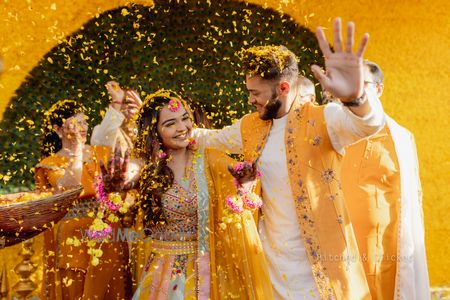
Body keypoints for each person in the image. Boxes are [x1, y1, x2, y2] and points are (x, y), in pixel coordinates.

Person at [193, 18, 385, 299]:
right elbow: (208, 138)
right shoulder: (250, 126)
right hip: (269, 267)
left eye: (255, 93)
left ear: (283, 88)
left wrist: (356, 98)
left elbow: (369, 125)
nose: (250, 100)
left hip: (323, 270)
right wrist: (164, 127)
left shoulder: (324, 120)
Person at [101, 89, 273, 299]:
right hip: (162, 273)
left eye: (184, 119)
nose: (182, 128)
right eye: (170, 123)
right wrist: (118, 184)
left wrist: (245, 183)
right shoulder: (148, 166)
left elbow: (241, 185)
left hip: (206, 270)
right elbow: (130, 174)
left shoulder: (209, 158)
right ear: (154, 131)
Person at [341, 60, 430, 299]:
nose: (354, 91)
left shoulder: (400, 138)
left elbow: (409, 197)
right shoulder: (334, 129)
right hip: (337, 241)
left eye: (362, 84)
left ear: (378, 89)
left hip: (381, 249)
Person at [35, 100, 131, 299]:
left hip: (107, 231)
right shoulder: (48, 164)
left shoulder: (100, 151)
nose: (83, 127)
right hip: (74, 238)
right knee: (77, 290)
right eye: (76, 123)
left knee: (113, 286)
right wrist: (77, 150)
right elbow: (69, 186)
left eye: (84, 122)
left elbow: (119, 185)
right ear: (58, 129)